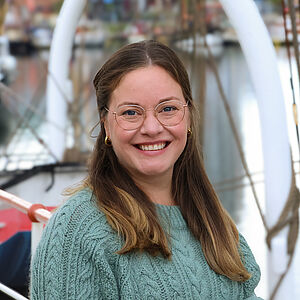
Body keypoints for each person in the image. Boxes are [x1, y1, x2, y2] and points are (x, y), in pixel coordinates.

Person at [30, 40, 263, 299]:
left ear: (187, 117)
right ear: (106, 124)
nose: (152, 127)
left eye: (168, 109)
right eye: (131, 112)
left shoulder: (211, 220)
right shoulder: (76, 234)